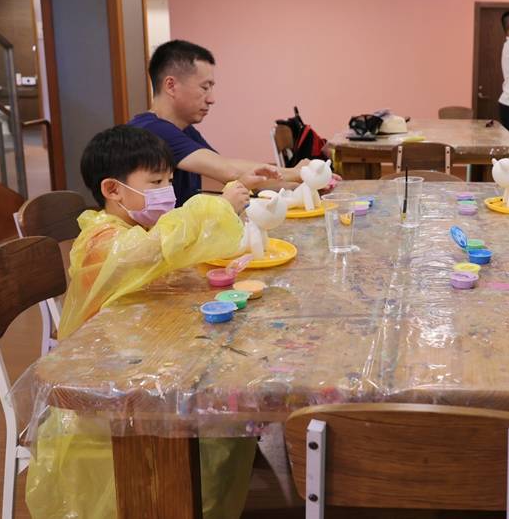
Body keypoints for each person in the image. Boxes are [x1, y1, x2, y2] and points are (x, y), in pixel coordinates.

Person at [26, 124, 256, 519]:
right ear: (113, 190)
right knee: (225, 404)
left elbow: (168, 251)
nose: (167, 191)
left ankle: (201, 498)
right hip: (106, 388)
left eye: (169, 180)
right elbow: (153, 250)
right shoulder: (100, 241)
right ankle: (180, 498)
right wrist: (218, 207)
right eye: (155, 182)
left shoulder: (134, 225)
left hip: (138, 356)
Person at [130, 39, 309, 205]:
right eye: (204, 87)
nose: (211, 99)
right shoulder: (151, 130)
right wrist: (297, 173)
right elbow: (229, 170)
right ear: (170, 86)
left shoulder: (184, 130)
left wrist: (301, 185)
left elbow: (240, 177)